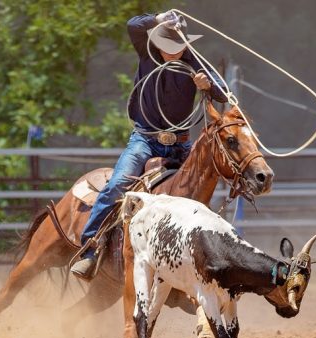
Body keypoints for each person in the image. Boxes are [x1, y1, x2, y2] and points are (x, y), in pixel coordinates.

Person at [71, 10, 228, 278]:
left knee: (202, 189)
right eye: (167, 46)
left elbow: (224, 93)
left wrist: (208, 85)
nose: (173, 52)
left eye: (178, 46)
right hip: (145, 140)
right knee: (117, 184)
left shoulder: (194, 62)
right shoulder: (148, 53)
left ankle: (209, 255)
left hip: (180, 144)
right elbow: (133, 24)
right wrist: (158, 18)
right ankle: (91, 249)